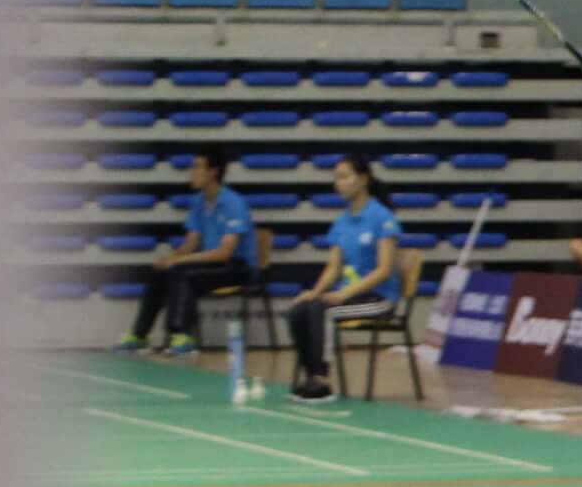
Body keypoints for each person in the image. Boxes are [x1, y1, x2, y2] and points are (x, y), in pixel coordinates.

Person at [282, 154, 408, 406]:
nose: (338, 183)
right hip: (351, 297)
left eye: (344, 176)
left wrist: (343, 294)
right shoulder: (342, 222)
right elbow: (333, 268)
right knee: (299, 310)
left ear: (363, 180)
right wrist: (315, 292)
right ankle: (311, 376)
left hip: (379, 299)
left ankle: (322, 381)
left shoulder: (382, 218)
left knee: (322, 311)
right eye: (336, 178)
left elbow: (384, 270)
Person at [114, 148, 254, 357]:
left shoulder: (234, 203)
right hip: (212, 264)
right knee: (160, 272)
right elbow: (191, 243)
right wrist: (169, 259)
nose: (191, 172)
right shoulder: (199, 202)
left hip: (238, 268)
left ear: (213, 172)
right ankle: (139, 335)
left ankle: (181, 336)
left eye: (197, 167)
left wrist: (179, 262)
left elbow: (224, 253)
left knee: (181, 273)